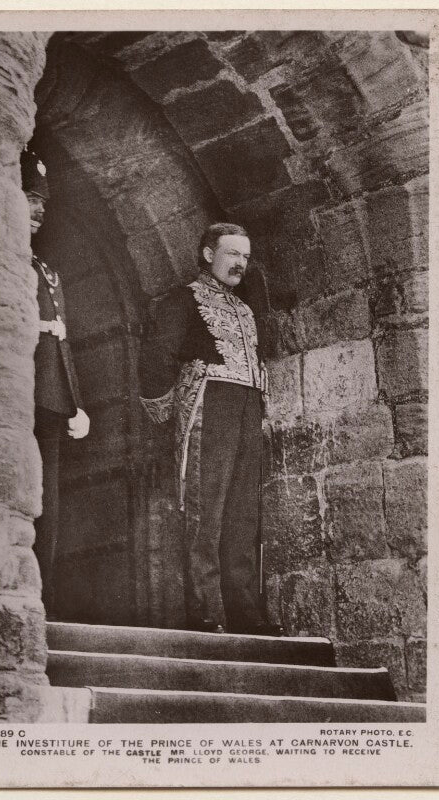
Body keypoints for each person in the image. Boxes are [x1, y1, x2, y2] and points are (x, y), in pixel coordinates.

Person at [139, 222, 284, 636]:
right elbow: (156, 359)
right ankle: (204, 610)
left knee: (242, 512)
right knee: (206, 509)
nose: (240, 263)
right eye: (232, 253)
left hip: (245, 408)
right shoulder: (182, 300)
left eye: (245, 256)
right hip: (208, 407)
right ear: (208, 254)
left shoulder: (244, 309)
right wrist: (171, 414)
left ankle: (245, 612)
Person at [21, 148, 90, 618]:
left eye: (42, 201)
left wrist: (76, 404)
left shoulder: (47, 272)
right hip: (14, 394)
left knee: (49, 506)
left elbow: (61, 339)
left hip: (49, 399)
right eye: (29, 197)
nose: (39, 209)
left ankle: (41, 601)